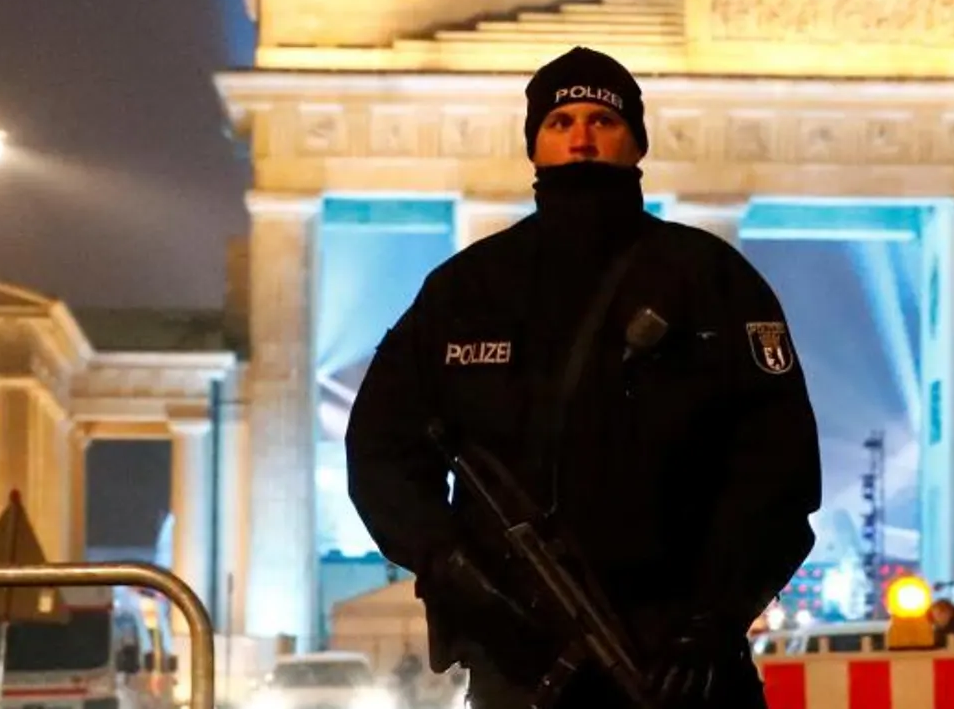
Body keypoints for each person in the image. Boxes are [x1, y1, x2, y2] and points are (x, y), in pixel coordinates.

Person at [344, 46, 824, 709]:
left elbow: (778, 464)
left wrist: (714, 617)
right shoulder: (466, 290)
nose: (581, 136)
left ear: (636, 142)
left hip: (680, 660)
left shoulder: (711, 279)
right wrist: (447, 561)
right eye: (560, 120)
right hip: (519, 656)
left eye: (603, 119)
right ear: (534, 143)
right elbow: (380, 446)